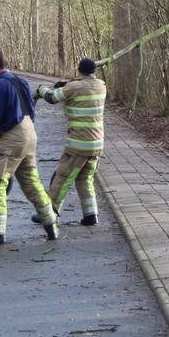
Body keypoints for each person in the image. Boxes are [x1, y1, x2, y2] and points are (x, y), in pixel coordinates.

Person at [0, 51, 58, 245]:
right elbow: (30, 110)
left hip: (14, 137)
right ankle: (51, 224)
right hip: (29, 132)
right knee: (31, 182)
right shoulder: (21, 81)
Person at [34, 57, 107, 226]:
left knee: (63, 177)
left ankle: (49, 212)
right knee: (84, 178)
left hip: (78, 144)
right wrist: (68, 84)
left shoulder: (74, 87)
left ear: (79, 70)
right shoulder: (101, 85)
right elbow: (84, 88)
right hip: (97, 145)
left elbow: (52, 97)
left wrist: (42, 88)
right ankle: (91, 215)